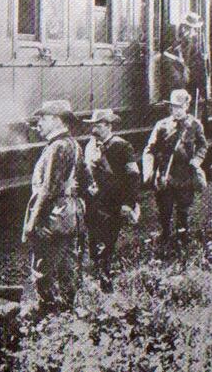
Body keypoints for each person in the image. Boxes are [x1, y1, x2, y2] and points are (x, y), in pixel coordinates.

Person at [21, 100, 90, 318]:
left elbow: (48, 189)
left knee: (44, 267)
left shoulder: (57, 147)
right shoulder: (74, 144)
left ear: (56, 119)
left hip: (54, 217)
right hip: (70, 215)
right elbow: (86, 182)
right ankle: (68, 311)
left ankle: (47, 313)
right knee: (67, 264)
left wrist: (32, 223)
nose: (38, 123)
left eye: (42, 118)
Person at [143, 89, 208, 253]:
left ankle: (183, 235)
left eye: (180, 106)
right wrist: (149, 170)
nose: (177, 110)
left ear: (187, 106)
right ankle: (165, 234)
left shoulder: (194, 125)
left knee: (183, 207)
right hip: (165, 174)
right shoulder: (162, 125)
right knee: (164, 207)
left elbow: (203, 146)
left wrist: (197, 160)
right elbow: (149, 149)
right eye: (174, 107)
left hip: (185, 173)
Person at [82, 109, 139, 292]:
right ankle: (97, 277)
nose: (93, 129)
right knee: (92, 242)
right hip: (93, 203)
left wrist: (127, 203)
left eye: (97, 125)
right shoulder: (89, 146)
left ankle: (105, 283)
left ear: (108, 126)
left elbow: (133, 176)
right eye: (92, 125)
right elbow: (86, 172)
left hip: (113, 204)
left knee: (107, 243)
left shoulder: (122, 146)